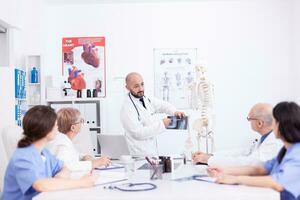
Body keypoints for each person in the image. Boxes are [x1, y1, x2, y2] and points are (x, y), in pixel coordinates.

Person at [207, 102, 300, 200]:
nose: (272, 126)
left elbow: (277, 182)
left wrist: (236, 179)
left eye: (274, 121)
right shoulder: (286, 150)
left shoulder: (297, 153)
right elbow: (261, 169)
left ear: (282, 125)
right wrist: (224, 171)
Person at [2, 105, 97, 200]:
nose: (58, 128)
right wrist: (81, 182)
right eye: (56, 125)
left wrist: (59, 177)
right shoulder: (23, 156)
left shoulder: (44, 152)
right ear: (46, 129)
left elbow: (64, 167)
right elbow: (40, 185)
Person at [192, 103, 282, 166]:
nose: (249, 121)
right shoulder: (265, 138)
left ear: (259, 123)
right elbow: (243, 153)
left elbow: (246, 163)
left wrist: (208, 159)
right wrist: (210, 156)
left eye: (249, 118)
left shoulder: (274, 143)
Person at [120, 72, 185, 156]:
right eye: (136, 86)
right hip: (139, 154)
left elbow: (162, 105)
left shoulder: (145, 98)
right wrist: (162, 124)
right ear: (127, 88)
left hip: (152, 151)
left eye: (142, 84)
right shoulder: (127, 108)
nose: (141, 89)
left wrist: (175, 111)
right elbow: (138, 133)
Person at [47, 107, 111, 171]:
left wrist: (84, 157)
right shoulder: (62, 144)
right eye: (81, 121)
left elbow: (71, 155)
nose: (82, 124)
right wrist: (95, 163)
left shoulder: (62, 139)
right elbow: (65, 166)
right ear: (73, 127)